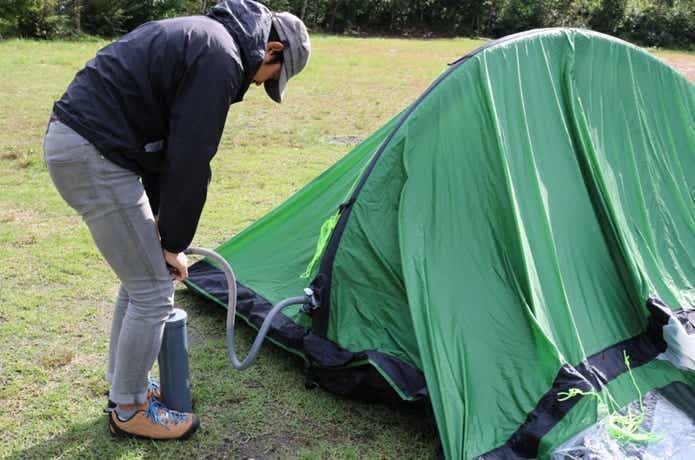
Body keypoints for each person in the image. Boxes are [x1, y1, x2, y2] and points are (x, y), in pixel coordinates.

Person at [42, 0, 310, 440]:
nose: (261, 83)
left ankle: (124, 385)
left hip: (86, 144)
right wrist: (172, 243)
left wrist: (163, 236)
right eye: (271, 76)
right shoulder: (220, 58)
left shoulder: (205, 37)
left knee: (141, 279)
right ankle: (129, 409)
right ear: (272, 49)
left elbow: (161, 148)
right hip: (93, 153)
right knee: (153, 290)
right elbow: (189, 159)